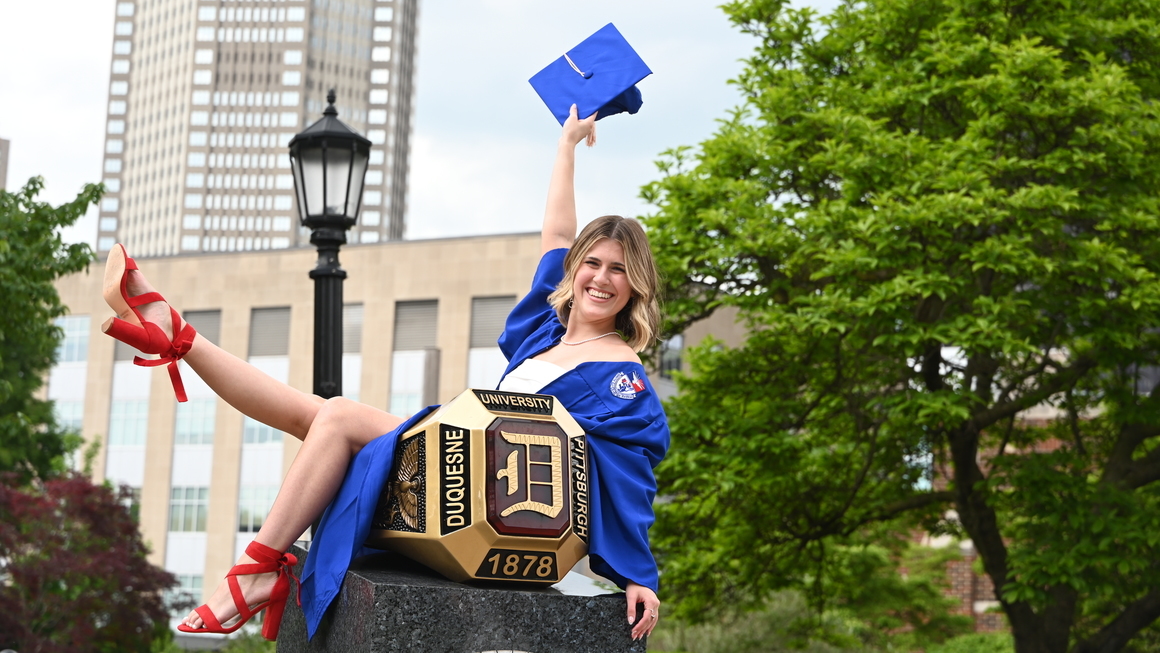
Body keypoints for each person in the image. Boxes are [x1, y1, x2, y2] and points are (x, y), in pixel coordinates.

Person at [99, 105, 668, 642]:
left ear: (635, 283)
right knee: (320, 416)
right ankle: (179, 337)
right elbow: (557, 236)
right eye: (593, 263)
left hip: (500, 513)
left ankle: (256, 570)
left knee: (338, 416)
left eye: (618, 269)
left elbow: (627, 474)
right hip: (460, 468)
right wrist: (566, 145)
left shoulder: (621, 373)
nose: (601, 277)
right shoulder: (549, 332)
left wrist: (639, 575)